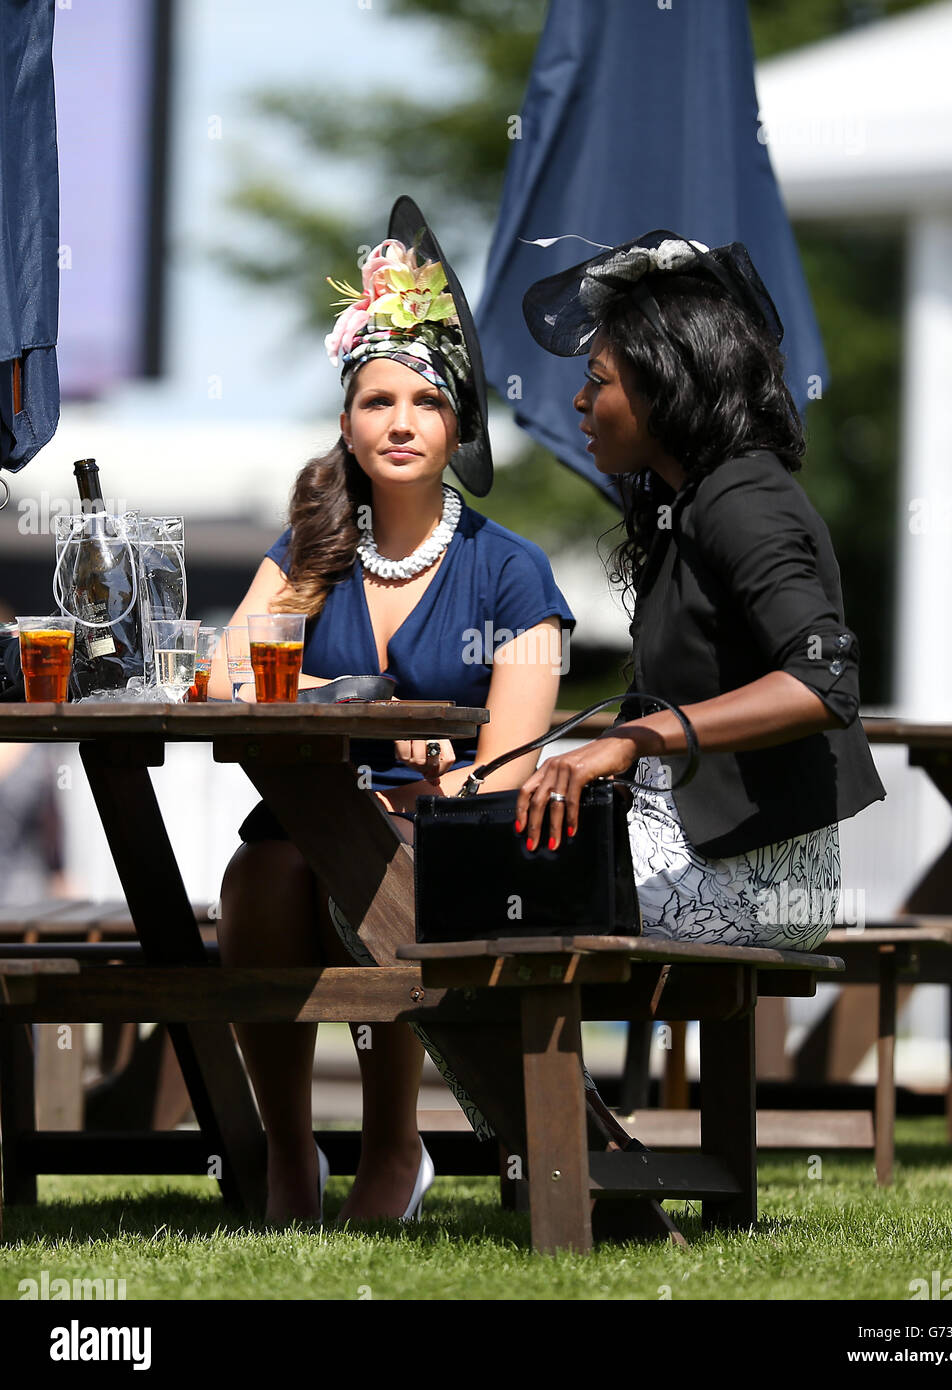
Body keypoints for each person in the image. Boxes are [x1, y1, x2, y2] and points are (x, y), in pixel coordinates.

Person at [213, 198, 574, 1224]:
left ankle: (392, 1145)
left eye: (424, 400)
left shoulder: (514, 570)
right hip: (304, 827)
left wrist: (442, 781)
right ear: (346, 421)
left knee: (379, 866)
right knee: (264, 873)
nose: (401, 422)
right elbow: (223, 680)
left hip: (448, 832)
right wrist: (354, 707)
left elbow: (511, 757)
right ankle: (290, 1152)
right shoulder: (306, 552)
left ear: (456, 422)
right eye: (377, 401)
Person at [516, 232, 886, 949]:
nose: (580, 398)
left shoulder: (742, 493)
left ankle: (562, 1072)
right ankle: (566, 1072)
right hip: (690, 852)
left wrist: (635, 737)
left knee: (447, 907)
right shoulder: (688, 504)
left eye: (601, 379)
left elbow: (824, 682)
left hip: (750, 876)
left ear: (663, 383)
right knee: (425, 894)